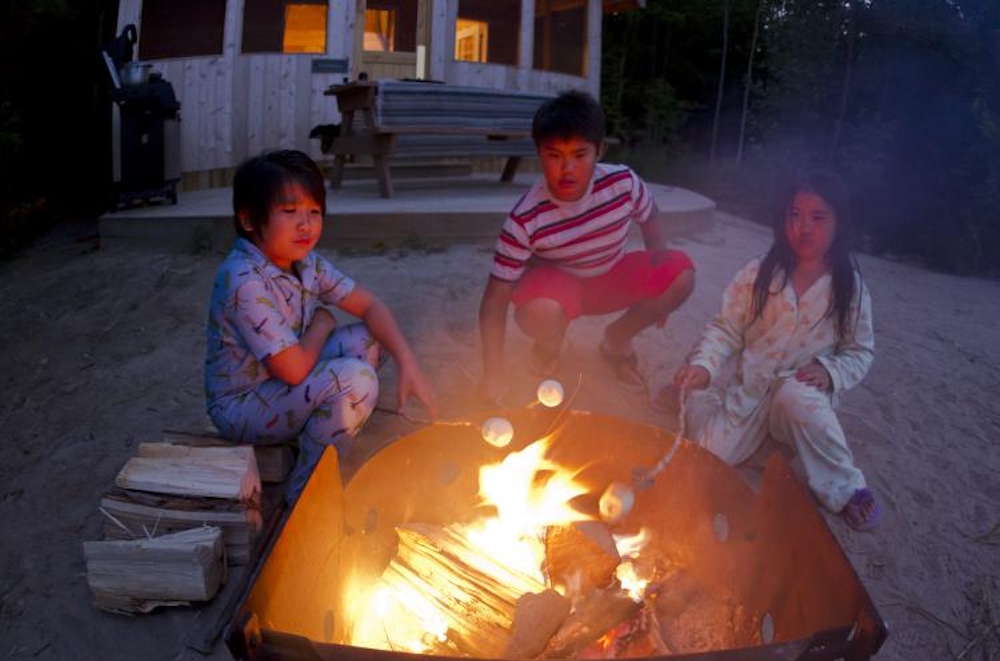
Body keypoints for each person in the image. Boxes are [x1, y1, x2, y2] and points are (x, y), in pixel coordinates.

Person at [204, 149, 438, 502]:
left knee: (371, 341)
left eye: (314, 211)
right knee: (356, 380)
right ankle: (304, 496)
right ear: (250, 219)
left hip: (281, 382)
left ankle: (314, 436)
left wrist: (409, 364)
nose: (306, 224)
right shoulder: (242, 279)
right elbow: (295, 371)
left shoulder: (305, 263)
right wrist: (322, 324)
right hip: (244, 404)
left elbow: (371, 305)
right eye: (289, 211)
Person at [669, 168, 880, 531]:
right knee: (710, 456)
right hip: (748, 395)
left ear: (839, 222)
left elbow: (860, 351)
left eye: (818, 217)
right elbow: (726, 328)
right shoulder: (758, 274)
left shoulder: (849, 289)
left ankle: (848, 489)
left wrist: (830, 371)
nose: (804, 228)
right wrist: (704, 366)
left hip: (799, 398)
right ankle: (696, 399)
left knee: (798, 398)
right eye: (794, 215)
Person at [477, 90, 695, 402]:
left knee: (680, 274)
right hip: (559, 288)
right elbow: (495, 301)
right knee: (541, 311)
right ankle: (549, 345)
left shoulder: (623, 184)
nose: (567, 169)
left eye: (579, 155)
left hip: (611, 276)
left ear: (600, 150)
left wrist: (657, 277)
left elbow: (652, 218)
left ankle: (616, 341)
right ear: (539, 153)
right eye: (554, 155)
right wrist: (493, 375)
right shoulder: (525, 218)